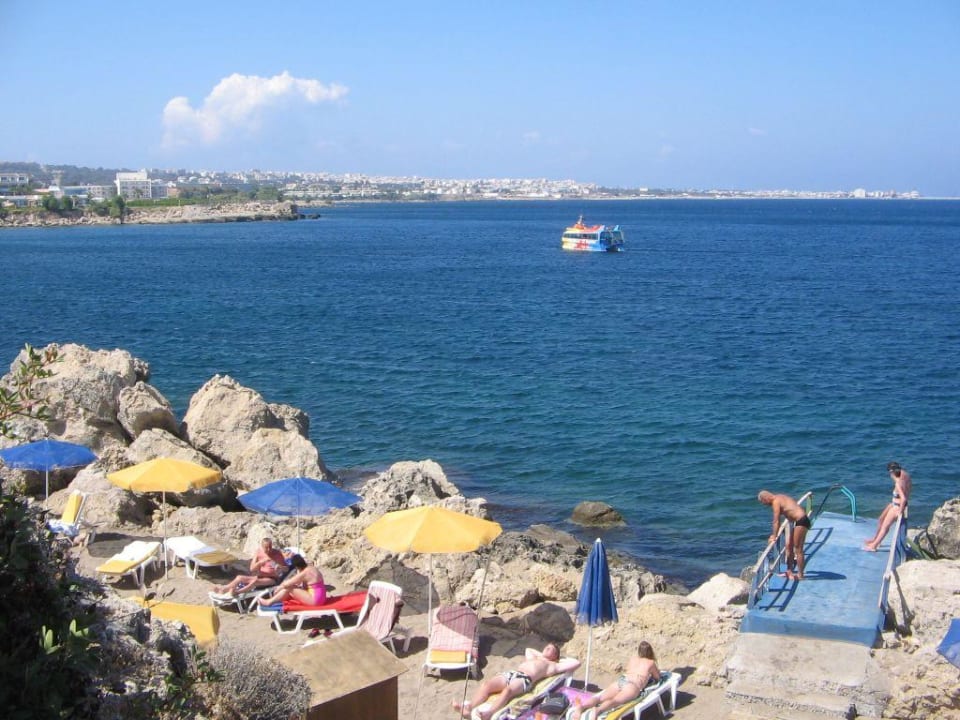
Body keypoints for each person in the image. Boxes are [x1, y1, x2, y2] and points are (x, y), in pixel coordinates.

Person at [452, 644, 580, 720]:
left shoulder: (553, 666)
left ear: (555, 656)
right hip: (512, 673)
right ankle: (469, 707)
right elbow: (528, 649)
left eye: (551, 648)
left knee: (508, 691)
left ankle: (488, 714)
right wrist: (542, 655)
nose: (547, 647)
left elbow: (576, 663)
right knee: (486, 685)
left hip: (525, 679)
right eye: (547, 646)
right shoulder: (535, 657)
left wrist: (558, 660)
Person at [570, 641, 660, 720]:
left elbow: (628, 670)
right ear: (650, 651)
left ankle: (581, 707)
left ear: (639, 651)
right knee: (615, 701)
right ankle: (597, 711)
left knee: (600, 698)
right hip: (632, 685)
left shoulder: (633, 659)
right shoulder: (651, 663)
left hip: (622, 680)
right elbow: (657, 677)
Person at [757, 490, 811, 580]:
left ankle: (800, 575)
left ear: (765, 499)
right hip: (799, 521)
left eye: (763, 503)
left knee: (798, 549)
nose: (765, 505)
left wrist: (774, 536)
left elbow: (776, 521)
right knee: (788, 546)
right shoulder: (780, 496)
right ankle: (789, 571)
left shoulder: (775, 502)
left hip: (802, 521)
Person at [212, 536, 287, 596]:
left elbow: (286, 569)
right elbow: (252, 569)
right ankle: (224, 589)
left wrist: (280, 567)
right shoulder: (258, 552)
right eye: (266, 548)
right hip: (260, 576)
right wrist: (260, 563)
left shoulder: (277, 554)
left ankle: (237, 592)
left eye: (270, 547)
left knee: (254, 581)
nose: (269, 549)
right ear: (262, 546)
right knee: (239, 578)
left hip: (272, 579)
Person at [863, 461, 912, 552]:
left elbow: (904, 498)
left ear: (891, 472)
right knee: (881, 519)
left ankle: (874, 545)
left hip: (897, 506)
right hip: (893, 503)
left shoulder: (898, 483)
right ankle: (875, 539)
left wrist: (900, 512)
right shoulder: (905, 475)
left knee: (885, 526)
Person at [256, 554, 326, 606]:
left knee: (289, 588)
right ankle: (273, 601)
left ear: (296, 566)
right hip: (321, 598)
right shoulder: (311, 568)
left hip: (315, 600)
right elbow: (300, 584)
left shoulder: (304, 573)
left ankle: (269, 602)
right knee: (291, 588)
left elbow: (287, 584)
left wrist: (278, 588)